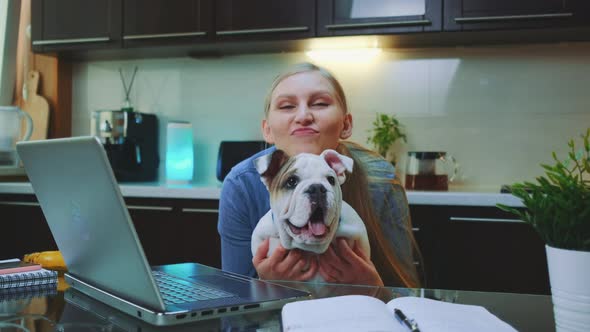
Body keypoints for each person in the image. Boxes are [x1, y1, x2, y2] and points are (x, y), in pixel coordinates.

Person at [217, 62, 420, 287]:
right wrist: (268, 288)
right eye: (286, 106)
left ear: (346, 124)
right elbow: (234, 298)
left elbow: (406, 292)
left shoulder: (380, 179)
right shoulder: (242, 184)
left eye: (320, 103)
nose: (303, 116)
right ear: (267, 130)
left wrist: (372, 288)